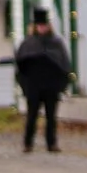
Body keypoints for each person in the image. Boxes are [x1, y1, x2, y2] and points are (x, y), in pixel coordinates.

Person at [13, 10, 73, 153]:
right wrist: (24, 87)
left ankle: (51, 143)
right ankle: (28, 143)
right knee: (32, 115)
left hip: (51, 86)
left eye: (44, 25)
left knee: (51, 117)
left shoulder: (56, 43)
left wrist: (62, 86)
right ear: (35, 26)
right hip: (33, 86)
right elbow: (20, 69)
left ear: (48, 26)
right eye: (39, 25)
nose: (41, 28)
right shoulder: (27, 44)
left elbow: (64, 66)